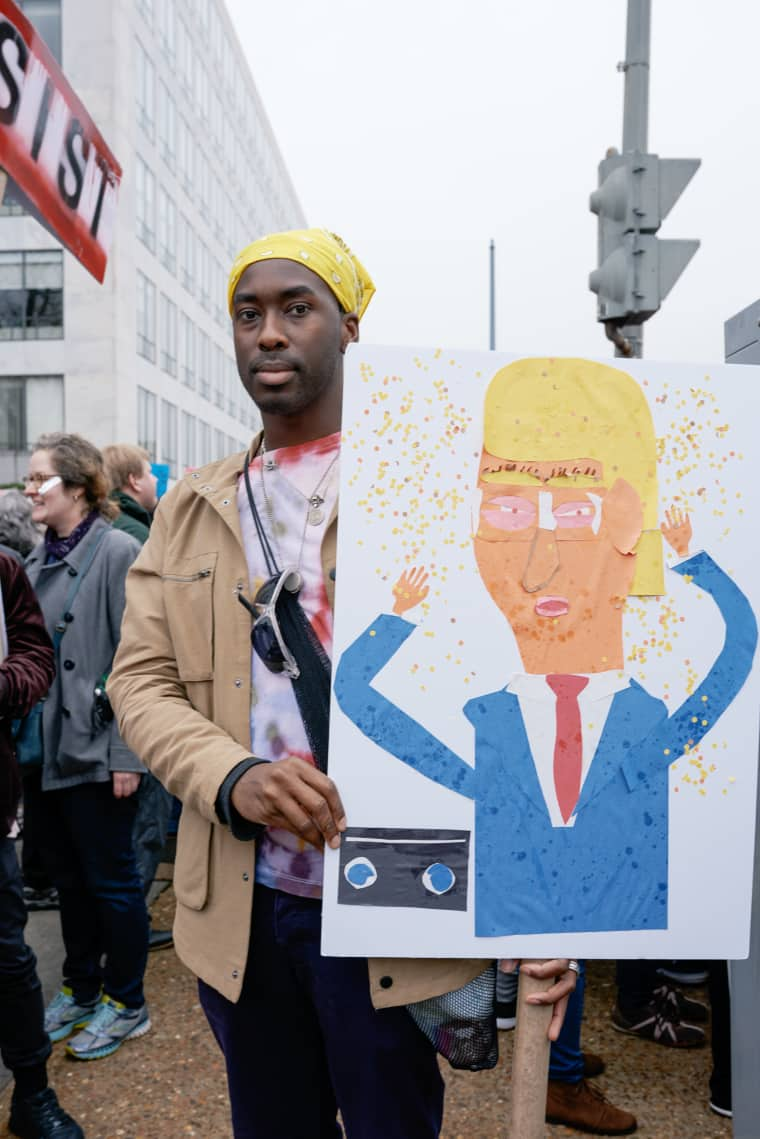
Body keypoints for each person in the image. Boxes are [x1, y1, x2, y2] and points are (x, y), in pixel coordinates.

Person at [108, 228, 576, 1139]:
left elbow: (505, 687)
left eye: (296, 308)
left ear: (350, 328)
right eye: (249, 314)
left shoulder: (432, 492)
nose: (269, 334)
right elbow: (141, 679)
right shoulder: (191, 505)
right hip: (242, 907)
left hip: (393, 910)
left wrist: (539, 905)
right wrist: (232, 776)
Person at [335, 358, 756, 937]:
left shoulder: (646, 732)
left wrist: (694, 563)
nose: (540, 564)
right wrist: (395, 620)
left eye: (578, 513)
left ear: (632, 524)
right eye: (507, 512)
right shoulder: (488, 726)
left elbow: (737, 653)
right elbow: (356, 695)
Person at [22, 434, 150, 1061]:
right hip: (46, 755)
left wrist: (128, 754)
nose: (28, 489)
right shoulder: (30, 562)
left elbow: (140, 660)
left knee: (113, 884)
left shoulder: (119, 550)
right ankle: (80, 988)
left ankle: (128, 1003)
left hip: (100, 753)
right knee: (70, 884)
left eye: (38, 478)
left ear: (76, 486)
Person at [0, 551, 85, 1138]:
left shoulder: (2, 568)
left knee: (8, 958)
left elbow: (36, 655)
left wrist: (6, 682)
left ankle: (32, 1093)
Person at [102, 443, 173, 952]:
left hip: (115, 717)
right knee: (142, 832)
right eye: (149, 473)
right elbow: (136, 650)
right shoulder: (133, 539)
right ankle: (131, 932)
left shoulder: (117, 535)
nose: (154, 482)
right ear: (132, 480)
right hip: (136, 720)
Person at [102, 443, 158, 544]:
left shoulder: (98, 521)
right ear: (134, 481)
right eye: (149, 472)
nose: (155, 479)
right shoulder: (137, 533)